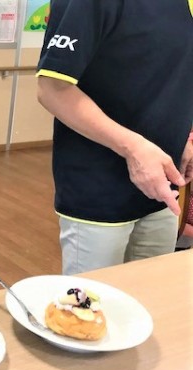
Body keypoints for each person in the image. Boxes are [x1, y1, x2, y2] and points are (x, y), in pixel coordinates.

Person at [36, 0, 193, 275]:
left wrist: (183, 137)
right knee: (94, 299)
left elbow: (172, 75)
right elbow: (51, 89)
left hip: (163, 190)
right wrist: (133, 148)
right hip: (98, 190)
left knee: (153, 295)